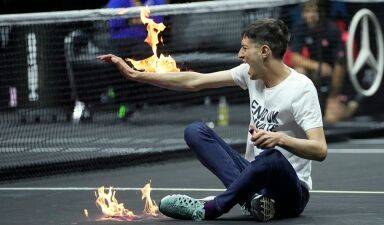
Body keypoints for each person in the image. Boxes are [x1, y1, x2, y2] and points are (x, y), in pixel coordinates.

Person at [97, 18, 327, 222]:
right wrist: (135, 75)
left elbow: (319, 149)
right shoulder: (249, 75)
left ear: (264, 51)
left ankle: (212, 208)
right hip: (254, 179)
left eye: (245, 48)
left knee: (271, 158)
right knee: (195, 131)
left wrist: (280, 139)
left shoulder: (301, 89)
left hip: (291, 191)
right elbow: (194, 81)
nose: (240, 54)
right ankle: (254, 202)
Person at [289, 0, 347, 123]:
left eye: (314, 12)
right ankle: (302, 108)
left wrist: (333, 95)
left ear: (320, 13)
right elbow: (294, 58)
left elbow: (340, 63)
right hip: (315, 71)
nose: (311, 15)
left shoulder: (332, 29)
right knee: (299, 71)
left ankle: (340, 104)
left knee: (331, 119)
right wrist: (317, 66)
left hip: (333, 76)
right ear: (303, 14)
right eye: (307, 12)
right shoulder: (300, 28)